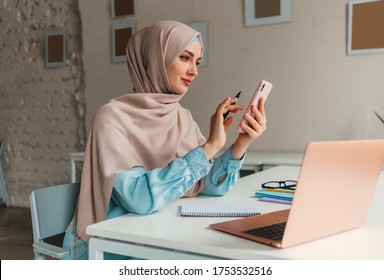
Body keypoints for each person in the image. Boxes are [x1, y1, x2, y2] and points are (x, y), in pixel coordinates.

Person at [62, 20, 267, 259]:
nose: (194, 71)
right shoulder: (110, 118)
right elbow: (139, 199)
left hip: (165, 234)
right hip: (119, 245)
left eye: (198, 62)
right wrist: (209, 146)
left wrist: (240, 143)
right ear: (156, 58)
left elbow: (207, 186)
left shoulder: (181, 117)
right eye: (185, 58)